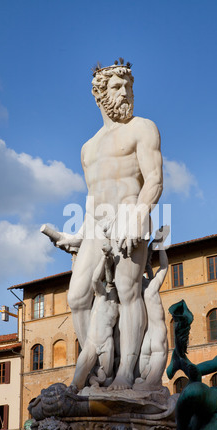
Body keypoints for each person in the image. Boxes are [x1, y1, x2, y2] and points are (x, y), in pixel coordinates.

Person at [54, 60, 163, 390]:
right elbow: (91, 198)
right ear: (99, 94)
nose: (125, 92)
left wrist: (138, 217)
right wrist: (77, 238)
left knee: (129, 293)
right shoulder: (88, 148)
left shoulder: (142, 128)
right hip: (96, 227)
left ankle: (126, 373)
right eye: (117, 87)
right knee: (77, 297)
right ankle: (99, 366)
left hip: (130, 216)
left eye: (128, 87)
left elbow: (154, 180)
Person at [70, 243, 119, 391]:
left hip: (107, 343)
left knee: (107, 378)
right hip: (92, 342)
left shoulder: (120, 306)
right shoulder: (101, 295)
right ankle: (74, 393)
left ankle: (99, 391)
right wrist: (104, 258)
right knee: (78, 376)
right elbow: (95, 280)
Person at [134, 226, 169, 390]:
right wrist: (160, 244)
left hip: (149, 337)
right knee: (144, 384)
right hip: (153, 334)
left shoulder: (139, 288)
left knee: (144, 384)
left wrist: (158, 244)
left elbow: (161, 267)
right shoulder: (151, 286)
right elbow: (163, 267)